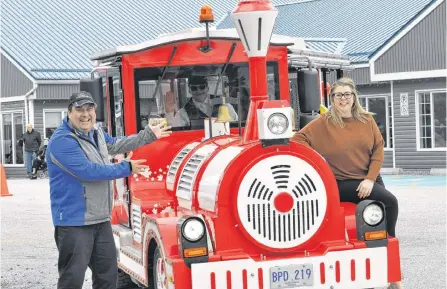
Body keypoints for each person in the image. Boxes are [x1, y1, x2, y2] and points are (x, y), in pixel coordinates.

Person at [46, 91, 172, 289]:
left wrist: (148, 135)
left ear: (95, 112)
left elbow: (116, 144)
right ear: (69, 113)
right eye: (79, 110)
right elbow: (87, 171)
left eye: (89, 109)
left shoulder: (95, 134)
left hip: (100, 219)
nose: (85, 114)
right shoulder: (62, 141)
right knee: (72, 279)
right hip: (74, 223)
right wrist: (126, 167)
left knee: (108, 276)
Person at [291, 77, 402, 289]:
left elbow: (379, 149)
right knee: (386, 204)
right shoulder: (323, 123)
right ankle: (387, 254)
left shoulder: (366, 120)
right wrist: (318, 162)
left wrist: (370, 179)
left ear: (354, 97)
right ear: (332, 98)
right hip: (342, 182)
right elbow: (297, 140)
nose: (343, 99)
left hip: (368, 179)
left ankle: (385, 255)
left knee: (384, 210)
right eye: (338, 95)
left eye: (347, 94)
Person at [165, 75, 238, 127]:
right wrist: (169, 112)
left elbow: (235, 124)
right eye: (194, 88)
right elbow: (175, 129)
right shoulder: (184, 112)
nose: (199, 91)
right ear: (190, 91)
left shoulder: (223, 104)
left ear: (207, 88)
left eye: (202, 87)